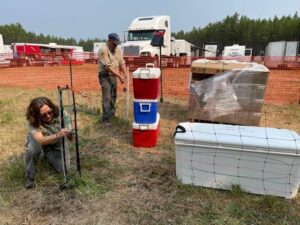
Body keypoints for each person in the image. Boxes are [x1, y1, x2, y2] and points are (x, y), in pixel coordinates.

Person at [24, 97, 71, 189]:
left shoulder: (62, 114)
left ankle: (48, 154)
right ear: (37, 116)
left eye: (49, 112)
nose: (48, 116)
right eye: (44, 115)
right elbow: (40, 140)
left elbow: (70, 133)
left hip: (57, 141)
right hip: (41, 140)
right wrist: (58, 135)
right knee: (32, 150)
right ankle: (30, 177)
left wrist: (70, 133)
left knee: (63, 168)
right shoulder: (33, 121)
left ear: (52, 108)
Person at [98, 33, 126, 127]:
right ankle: (105, 119)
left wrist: (125, 74)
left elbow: (121, 62)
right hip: (105, 76)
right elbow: (108, 67)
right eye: (114, 43)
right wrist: (119, 76)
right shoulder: (103, 50)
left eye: (117, 44)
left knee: (114, 95)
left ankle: (112, 114)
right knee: (107, 97)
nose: (116, 45)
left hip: (114, 75)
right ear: (109, 41)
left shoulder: (118, 49)